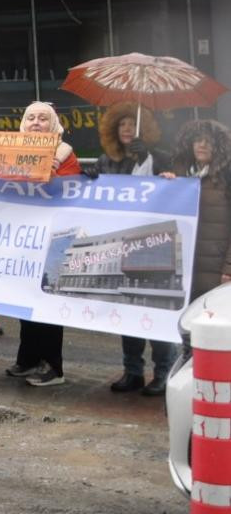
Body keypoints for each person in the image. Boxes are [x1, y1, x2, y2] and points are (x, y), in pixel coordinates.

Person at [97, 103, 176, 396]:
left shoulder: (162, 157)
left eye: (133, 124)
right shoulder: (108, 160)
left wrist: (153, 165)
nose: (127, 129)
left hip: (154, 245)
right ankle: (132, 371)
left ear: (144, 128)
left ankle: (163, 371)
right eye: (122, 125)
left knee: (153, 311)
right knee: (127, 312)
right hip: (120, 246)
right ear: (114, 130)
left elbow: (175, 193)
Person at [7, 101, 81, 388]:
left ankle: (53, 366)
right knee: (25, 302)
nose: (36, 123)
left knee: (47, 302)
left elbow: (70, 189)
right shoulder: (10, 151)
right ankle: (28, 359)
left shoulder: (65, 154)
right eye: (31, 118)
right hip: (23, 239)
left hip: (52, 240)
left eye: (42, 118)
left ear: (53, 124)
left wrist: (48, 171)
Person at [163, 119, 231, 301]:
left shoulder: (227, 177)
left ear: (220, 146)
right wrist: (164, 185)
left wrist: (229, 268)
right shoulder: (179, 174)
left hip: (215, 268)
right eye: (198, 139)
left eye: (209, 141)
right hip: (184, 266)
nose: (202, 144)